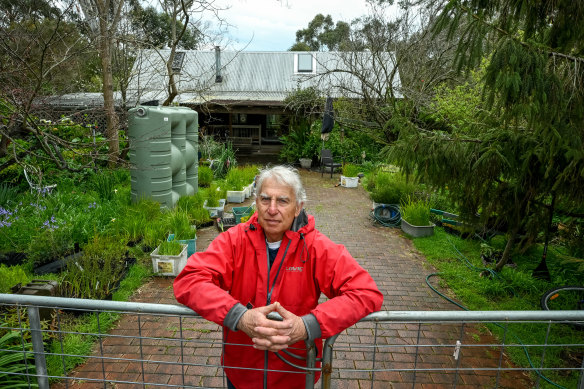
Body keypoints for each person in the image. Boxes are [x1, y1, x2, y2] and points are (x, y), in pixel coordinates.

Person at [174, 165, 383, 389]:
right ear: (256, 203)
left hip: (295, 376)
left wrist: (308, 325)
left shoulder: (315, 247)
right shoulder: (234, 241)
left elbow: (366, 293)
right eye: (265, 199)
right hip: (242, 375)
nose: (272, 209)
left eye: (282, 201)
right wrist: (239, 317)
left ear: (297, 207)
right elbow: (189, 280)